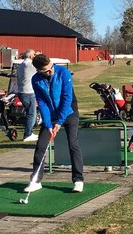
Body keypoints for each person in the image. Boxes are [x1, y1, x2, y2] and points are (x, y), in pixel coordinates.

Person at [24, 54, 84, 193]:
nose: (51, 71)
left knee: (73, 144)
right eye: (47, 70)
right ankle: (36, 181)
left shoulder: (63, 72)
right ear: (39, 71)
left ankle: (78, 180)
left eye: (51, 67)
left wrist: (60, 122)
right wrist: (48, 124)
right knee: (41, 146)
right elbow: (42, 102)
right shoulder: (36, 80)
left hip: (69, 112)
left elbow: (66, 98)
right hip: (50, 115)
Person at [17, 49, 38, 141]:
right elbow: (41, 66)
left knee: (29, 113)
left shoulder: (21, 65)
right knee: (32, 114)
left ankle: (29, 132)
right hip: (28, 92)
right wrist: (39, 56)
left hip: (21, 91)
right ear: (30, 56)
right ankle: (28, 134)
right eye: (34, 54)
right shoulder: (30, 64)